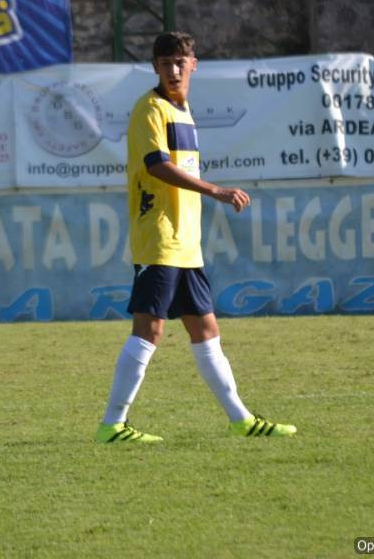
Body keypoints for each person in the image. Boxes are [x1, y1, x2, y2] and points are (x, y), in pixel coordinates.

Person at [94, 31, 297, 443]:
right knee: (149, 330)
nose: (172, 70)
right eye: (165, 62)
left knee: (206, 330)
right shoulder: (149, 110)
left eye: (179, 62)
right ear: (154, 67)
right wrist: (216, 190)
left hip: (186, 243)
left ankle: (241, 419)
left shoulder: (183, 112)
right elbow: (156, 166)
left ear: (193, 65)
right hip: (159, 237)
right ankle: (112, 424)